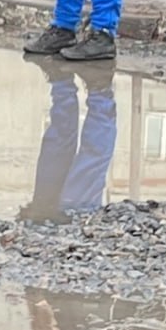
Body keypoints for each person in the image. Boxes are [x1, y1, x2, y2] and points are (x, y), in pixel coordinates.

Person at [18, 55, 118, 222]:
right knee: (85, 172)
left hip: (42, 220)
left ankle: (62, 80)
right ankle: (99, 87)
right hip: (76, 223)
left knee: (55, 152)